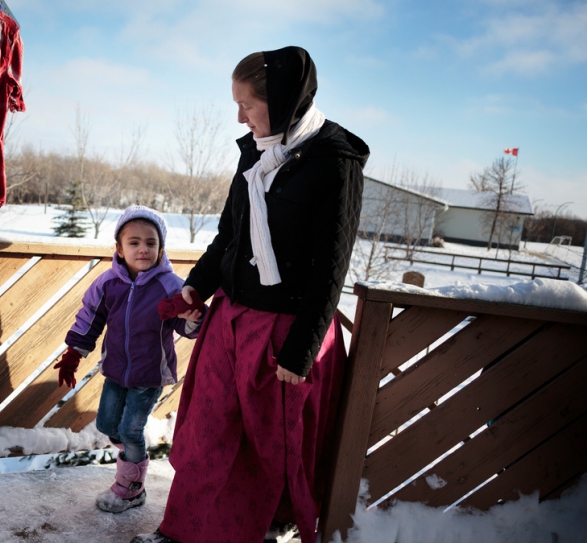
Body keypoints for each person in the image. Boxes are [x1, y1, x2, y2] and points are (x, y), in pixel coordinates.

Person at [132, 46, 369, 543]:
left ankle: (255, 531)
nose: (239, 117)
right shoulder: (254, 152)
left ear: (283, 102)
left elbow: (332, 267)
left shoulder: (334, 162)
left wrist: (301, 350)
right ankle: (179, 532)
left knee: (267, 450)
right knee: (206, 437)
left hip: (285, 334)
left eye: (248, 106)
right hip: (232, 323)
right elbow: (229, 236)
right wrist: (197, 285)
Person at [55, 205, 203, 514]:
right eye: (134, 242)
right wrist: (73, 354)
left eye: (151, 242)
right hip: (116, 371)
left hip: (150, 375)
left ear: (161, 248)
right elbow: (89, 319)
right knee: (109, 425)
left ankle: (131, 488)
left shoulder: (169, 286)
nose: (143, 249)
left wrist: (191, 317)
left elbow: (187, 328)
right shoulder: (108, 283)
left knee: (131, 431)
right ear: (119, 249)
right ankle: (132, 459)